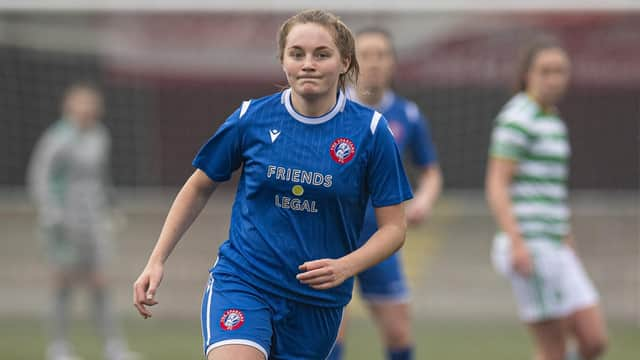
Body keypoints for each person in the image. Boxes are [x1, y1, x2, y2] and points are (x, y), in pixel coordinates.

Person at [133, 9, 413, 360]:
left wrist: (347, 266)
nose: (308, 63)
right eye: (297, 54)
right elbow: (199, 186)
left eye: (321, 54)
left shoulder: (371, 132)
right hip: (245, 281)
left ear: (344, 62)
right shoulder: (252, 118)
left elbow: (394, 229)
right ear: (283, 61)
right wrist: (156, 260)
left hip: (317, 303)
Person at [486, 39, 608, 360]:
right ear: (527, 75)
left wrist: (565, 234)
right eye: (545, 71)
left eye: (560, 71)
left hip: (556, 244)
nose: (553, 78)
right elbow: (497, 184)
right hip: (531, 244)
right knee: (552, 349)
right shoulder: (517, 118)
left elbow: (551, 189)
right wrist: (516, 241)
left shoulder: (552, 119)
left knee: (593, 340)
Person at [328, 28, 442, 360]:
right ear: (350, 62)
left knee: (398, 333)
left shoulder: (408, 114)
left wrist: (423, 200)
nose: (374, 62)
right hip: (334, 237)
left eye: (382, 54)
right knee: (332, 332)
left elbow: (431, 170)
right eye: (366, 54)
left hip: (380, 238)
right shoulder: (331, 108)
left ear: (392, 62)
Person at [27, 83, 138, 360]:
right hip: (63, 221)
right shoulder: (58, 137)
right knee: (63, 282)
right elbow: (40, 174)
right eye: (82, 103)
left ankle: (113, 346)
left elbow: (101, 177)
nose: (88, 109)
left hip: (93, 221)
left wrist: (111, 205)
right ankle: (58, 347)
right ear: (69, 106)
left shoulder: (100, 136)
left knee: (100, 282)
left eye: (92, 103)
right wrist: (49, 210)